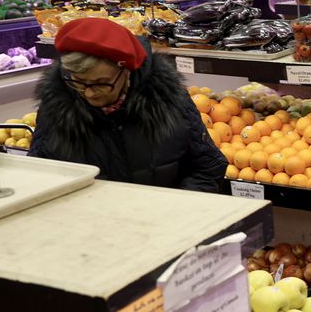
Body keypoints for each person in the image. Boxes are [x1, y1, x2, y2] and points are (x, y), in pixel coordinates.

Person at [29, 17, 227, 192]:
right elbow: (39, 171)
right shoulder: (56, 106)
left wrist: (175, 208)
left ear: (126, 71)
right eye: (78, 82)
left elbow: (207, 166)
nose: (89, 93)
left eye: (100, 83)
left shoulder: (169, 100)